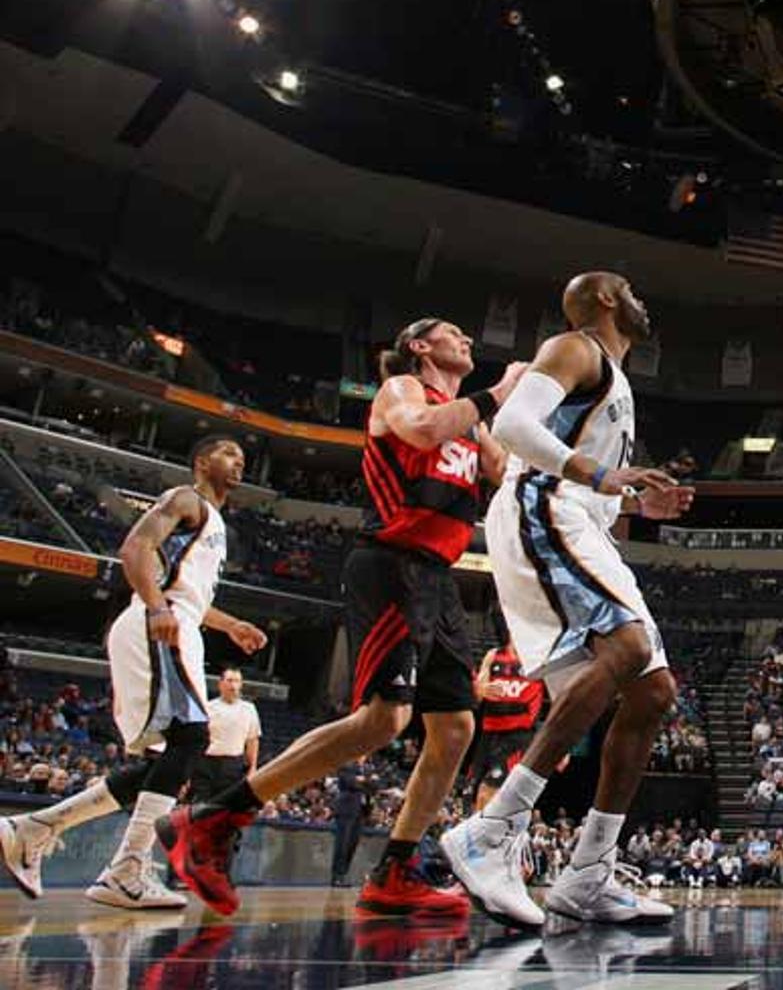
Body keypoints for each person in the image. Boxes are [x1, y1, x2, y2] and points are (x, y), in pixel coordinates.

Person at [160, 319, 520, 917]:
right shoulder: (403, 393)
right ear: (420, 346)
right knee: (384, 720)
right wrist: (498, 392)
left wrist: (506, 419)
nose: (468, 342)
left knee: (456, 728)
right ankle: (214, 818)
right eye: (453, 333)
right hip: (390, 565)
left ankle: (395, 871)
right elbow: (424, 432)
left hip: (438, 577)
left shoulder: (469, 417)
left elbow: (502, 473)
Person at [443, 272, 693, 928]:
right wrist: (604, 476)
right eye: (629, 288)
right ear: (605, 298)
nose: (641, 296)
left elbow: (591, 471)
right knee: (631, 647)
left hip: (578, 518)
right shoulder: (577, 346)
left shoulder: (613, 377)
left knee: (652, 690)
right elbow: (515, 424)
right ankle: (492, 829)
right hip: (543, 508)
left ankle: (588, 874)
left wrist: (633, 497)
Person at [0, 436, 265, 909]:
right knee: (190, 739)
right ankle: (125, 872)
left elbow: (189, 594)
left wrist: (231, 624)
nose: (238, 459)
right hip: (157, 623)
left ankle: (35, 827)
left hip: (176, 621)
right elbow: (136, 547)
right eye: (227, 452)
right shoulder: (187, 499)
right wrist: (157, 606)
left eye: (242, 456)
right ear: (202, 460)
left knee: (161, 759)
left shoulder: (216, 525)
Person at [469, 640, 544, 808]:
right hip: (488, 734)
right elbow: (478, 692)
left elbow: (559, 695)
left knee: (489, 791)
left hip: (517, 736)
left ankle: (485, 833)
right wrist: (481, 689)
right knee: (474, 796)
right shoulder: (493, 655)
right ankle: (479, 832)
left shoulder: (541, 657)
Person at [193, 669, 261, 801]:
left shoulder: (249, 709)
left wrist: (253, 767)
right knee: (200, 808)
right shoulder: (208, 707)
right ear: (220, 684)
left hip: (233, 765)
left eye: (237, 681)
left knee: (226, 808)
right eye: (229, 680)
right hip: (206, 763)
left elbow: (252, 740)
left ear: (241, 684)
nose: (233, 685)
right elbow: (198, 739)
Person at [330, 760, 372, 887]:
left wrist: (363, 780)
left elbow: (375, 786)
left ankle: (343, 874)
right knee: (342, 843)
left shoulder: (366, 768)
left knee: (352, 844)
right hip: (346, 809)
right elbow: (350, 782)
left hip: (360, 811)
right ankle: (336, 876)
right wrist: (365, 781)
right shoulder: (347, 764)